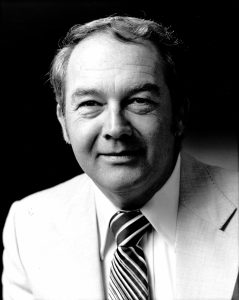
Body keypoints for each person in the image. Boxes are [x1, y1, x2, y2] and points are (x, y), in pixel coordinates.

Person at [2, 16, 238, 300]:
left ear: (179, 115)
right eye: (90, 104)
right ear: (63, 121)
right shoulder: (28, 224)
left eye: (139, 101)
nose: (116, 128)